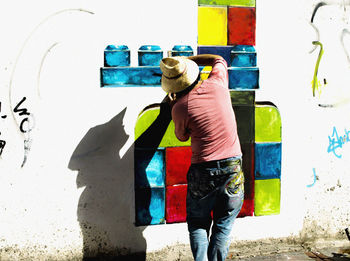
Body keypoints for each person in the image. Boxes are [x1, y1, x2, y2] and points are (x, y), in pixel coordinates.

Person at [160, 54, 245, 261]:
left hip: (203, 172)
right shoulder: (218, 84)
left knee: (198, 223)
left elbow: (182, 137)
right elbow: (219, 60)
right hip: (232, 168)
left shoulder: (180, 108)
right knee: (223, 225)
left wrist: (173, 107)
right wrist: (189, 59)